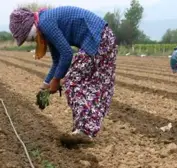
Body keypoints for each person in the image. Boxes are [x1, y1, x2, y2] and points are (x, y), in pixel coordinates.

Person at [9, 6, 118, 143]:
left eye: (29, 38)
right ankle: (84, 129)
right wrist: (45, 87)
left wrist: (56, 80)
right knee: (88, 84)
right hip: (103, 38)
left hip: (98, 39)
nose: (33, 41)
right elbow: (57, 60)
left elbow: (67, 54)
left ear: (30, 29)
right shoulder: (45, 23)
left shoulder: (46, 23)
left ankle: (84, 130)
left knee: (73, 81)